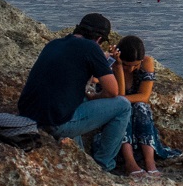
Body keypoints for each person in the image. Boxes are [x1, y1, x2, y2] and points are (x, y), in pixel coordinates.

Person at [18, 13, 132, 175]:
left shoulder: (54, 44)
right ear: (99, 39)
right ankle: (104, 166)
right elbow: (113, 91)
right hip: (54, 124)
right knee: (123, 106)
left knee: (79, 98)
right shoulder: (91, 48)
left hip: (28, 117)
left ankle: (80, 157)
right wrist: (95, 97)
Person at [113, 35, 177, 176]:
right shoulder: (113, 64)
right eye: (126, 65)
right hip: (116, 110)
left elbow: (144, 96)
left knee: (141, 107)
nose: (130, 69)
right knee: (124, 109)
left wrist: (124, 100)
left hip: (135, 107)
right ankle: (130, 163)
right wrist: (118, 67)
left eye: (135, 65)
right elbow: (119, 97)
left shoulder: (146, 62)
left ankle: (150, 162)